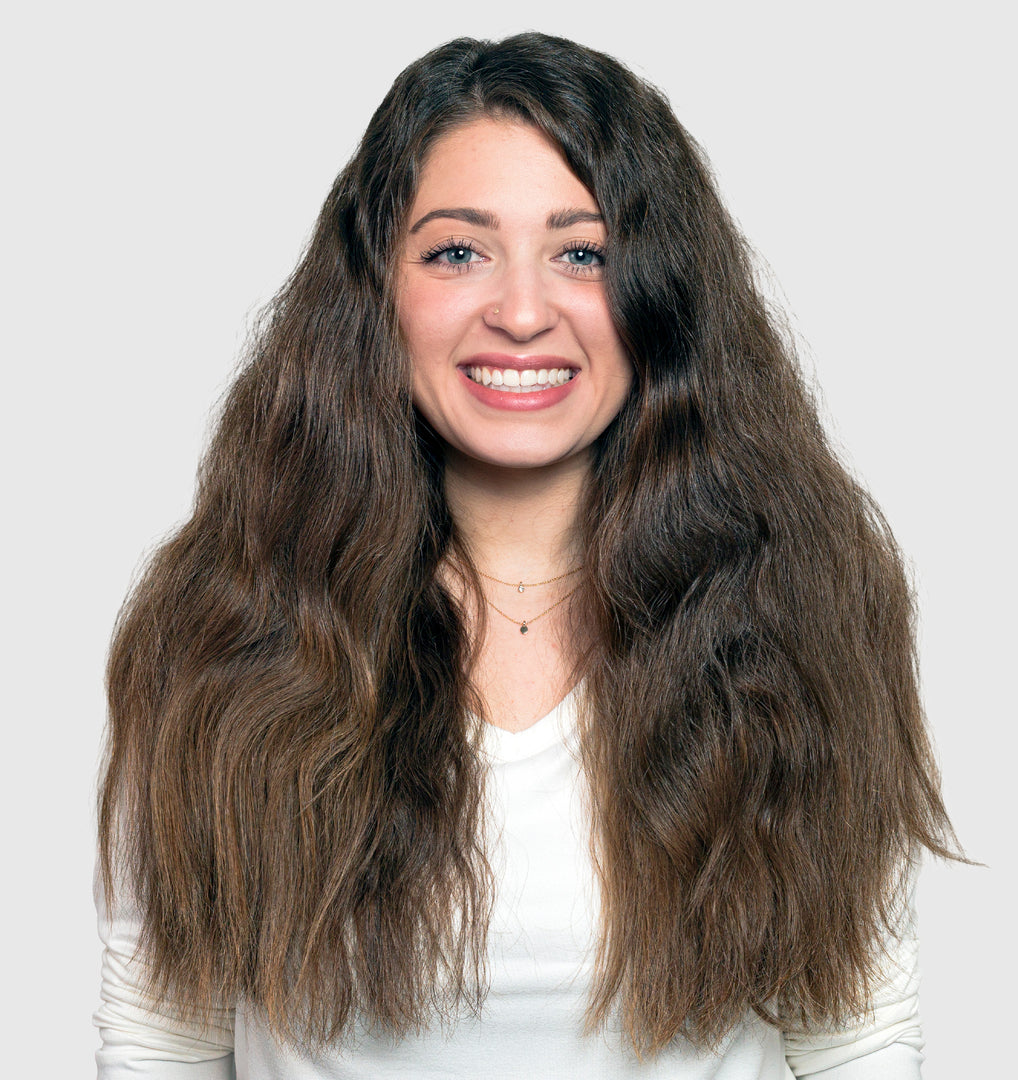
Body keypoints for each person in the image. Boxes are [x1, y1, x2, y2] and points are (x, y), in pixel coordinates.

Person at [94, 32, 958, 1078]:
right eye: (458, 251)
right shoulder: (222, 629)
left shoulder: (800, 615)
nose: (518, 311)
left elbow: (859, 1038)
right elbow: (160, 1045)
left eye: (583, 253)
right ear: (379, 291)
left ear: (662, 299)